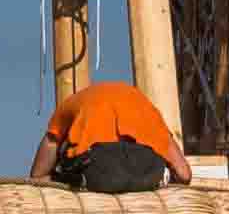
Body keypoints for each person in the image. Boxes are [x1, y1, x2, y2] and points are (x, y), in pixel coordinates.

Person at [26, 75, 190, 194]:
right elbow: (184, 173)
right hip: (145, 172)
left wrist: (54, 178)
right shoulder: (147, 109)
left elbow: (38, 176)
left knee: (62, 174)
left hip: (97, 173)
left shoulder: (71, 104)